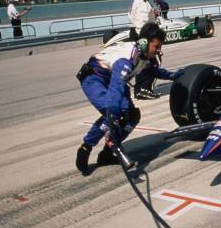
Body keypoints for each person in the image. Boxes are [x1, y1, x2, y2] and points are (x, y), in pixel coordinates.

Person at [75, 22, 184, 174]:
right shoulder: (125, 60)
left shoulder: (143, 54)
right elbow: (116, 88)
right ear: (145, 43)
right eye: (157, 47)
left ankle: (106, 153)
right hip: (95, 78)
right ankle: (86, 148)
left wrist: (171, 75)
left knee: (131, 116)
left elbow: (151, 70)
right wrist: (113, 113)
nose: (159, 51)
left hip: (113, 78)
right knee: (113, 112)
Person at [128, 0, 161, 99]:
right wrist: (146, 41)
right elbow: (141, 23)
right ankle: (143, 89)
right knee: (152, 62)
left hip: (139, 35)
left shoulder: (142, 0)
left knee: (144, 63)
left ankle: (141, 89)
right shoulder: (141, 2)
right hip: (142, 36)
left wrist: (153, 14)